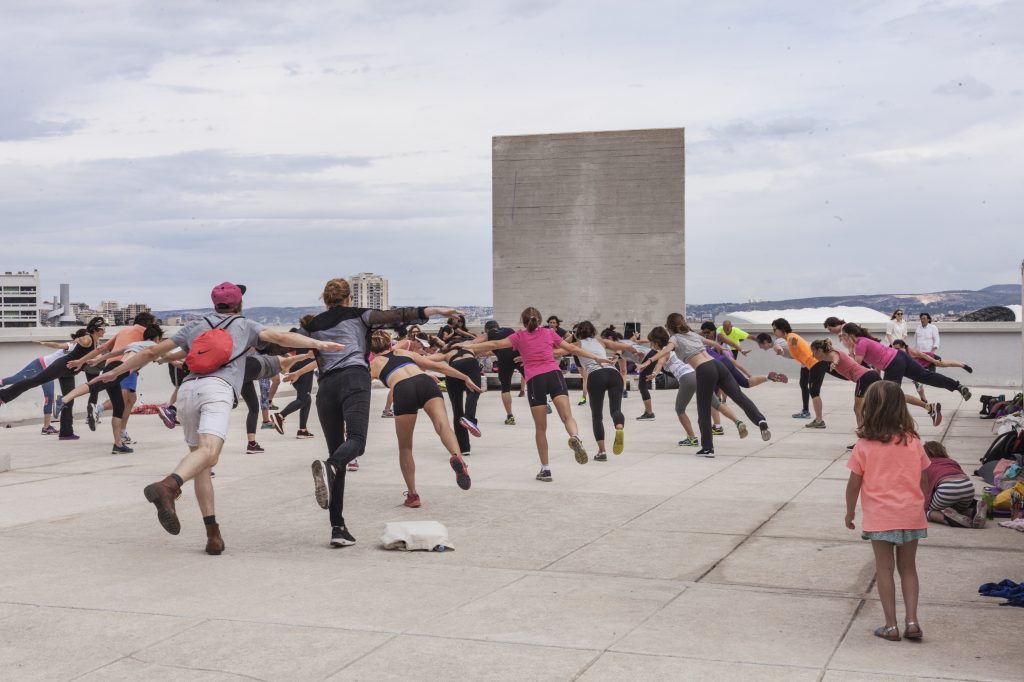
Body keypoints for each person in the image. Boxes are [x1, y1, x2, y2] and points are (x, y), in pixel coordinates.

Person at [92, 282, 343, 556]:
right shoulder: (245, 325)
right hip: (217, 390)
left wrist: (115, 372)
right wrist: (318, 343)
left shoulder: (196, 325)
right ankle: (169, 486)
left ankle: (213, 535)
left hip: (187, 391)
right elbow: (280, 338)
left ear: (214, 304)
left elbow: (151, 352)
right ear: (239, 304)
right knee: (209, 454)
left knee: (200, 463)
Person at [301, 277, 461, 548]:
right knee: (356, 443)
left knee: (337, 453)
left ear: (325, 300)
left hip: (326, 388)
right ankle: (331, 470)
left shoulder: (313, 325)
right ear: (349, 298)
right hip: (353, 379)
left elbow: (284, 341)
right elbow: (399, 315)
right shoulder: (358, 315)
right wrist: (434, 310)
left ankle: (338, 527)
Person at [456, 307, 612, 481]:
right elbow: (572, 349)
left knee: (540, 428)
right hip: (555, 375)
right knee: (567, 416)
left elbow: (494, 344)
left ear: (523, 322)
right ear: (539, 320)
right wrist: (597, 358)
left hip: (535, 380)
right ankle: (575, 437)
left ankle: (545, 470)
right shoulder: (549, 333)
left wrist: (467, 345)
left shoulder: (519, 336)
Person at [844, 380, 928, 642]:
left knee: (884, 568)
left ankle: (890, 626)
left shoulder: (864, 446)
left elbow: (854, 484)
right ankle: (912, 621)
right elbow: (925, 477)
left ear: (870, 408)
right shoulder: (913, 442)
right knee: (909, 568)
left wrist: (850, 512)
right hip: (911, 514)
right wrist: (921, 503)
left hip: (880, 517)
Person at [367, 331, 480, 507]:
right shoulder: (404, 353)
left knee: (405, 447)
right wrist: (465, 377)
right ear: (390, 344)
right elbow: (441, 367)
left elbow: (360, 386)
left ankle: (413, 496)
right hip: (425, 382)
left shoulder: (374, 364)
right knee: (443, 426)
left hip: (402, 389)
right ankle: (458, 457)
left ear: (371, 349)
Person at [639, 314, 770, 457]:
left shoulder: (674, 338)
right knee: (739, 397)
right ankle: (760, 420)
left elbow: (665, 350)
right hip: (718, 365)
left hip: (704, 370)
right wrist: (721, 347)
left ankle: (707, 448)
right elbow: (711, 343)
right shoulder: (691, 334)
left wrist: (649, 360)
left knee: (703, 411)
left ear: (670, 327)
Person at [1, 318, 114, 447]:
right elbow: (82, 340)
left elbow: (94, 355)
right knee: (33, 381)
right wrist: (79, 339)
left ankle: (66, 432)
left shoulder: (96, 342)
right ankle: (2, 396)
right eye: (102, 329)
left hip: (69, 372)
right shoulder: (88, 338)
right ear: (95, 329)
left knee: (68, 399)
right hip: (61, 366)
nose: (104, 331)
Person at [645, 326, 746, 448]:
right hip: (700, 374)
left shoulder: (664, 351)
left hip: (687, 378)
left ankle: (692, 438)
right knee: (715, 403)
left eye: (652, 343)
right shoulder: (677, 346)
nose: (651, 345)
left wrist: (654, 374)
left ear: (656, 342)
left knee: (680, 409)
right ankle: (737, 421)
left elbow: (660, 363)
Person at [810, 339, 941, 428]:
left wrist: (834, 363)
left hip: (864, 377)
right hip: (870, 374)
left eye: (813, 352)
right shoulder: (827, 357)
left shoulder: (833, 354)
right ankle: (929, 407)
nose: (812, 354)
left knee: (858, 409)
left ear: (819, 350)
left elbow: (836, 358)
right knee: (894, 396)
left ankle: (862, 437)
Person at [842, 323, 971, 401]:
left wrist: (849, 350)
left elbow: (856, 364)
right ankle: (957, 386)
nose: (842, 338)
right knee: (926, 376)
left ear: (849, 335)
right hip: (900, 356)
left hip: (893, 364)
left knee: (890, 396)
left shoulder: (860, 344)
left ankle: (894, 427)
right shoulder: (864, 340)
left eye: (843, 336)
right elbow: (875, 361)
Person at [0, 336, 78, 435]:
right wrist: (43, 342)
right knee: (14, 379)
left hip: (49, 372)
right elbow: (57, 345)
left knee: (49, 397)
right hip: (39, 366)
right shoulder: (72, 346)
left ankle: (46, 427)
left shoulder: (82, 351)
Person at [573, 321, 625, 461]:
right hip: (614, 373)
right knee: (616, 410)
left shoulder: (577, 345)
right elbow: (621, 346)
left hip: (596, 376)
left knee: (597, 416)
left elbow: (558, 350)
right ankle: (619, 428)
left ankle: (602, 452)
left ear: (578, 333)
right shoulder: (601, 341)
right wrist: (633, 350)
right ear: (593, 331)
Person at [764, 318, 829, 428]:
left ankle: (819, 421)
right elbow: (793, 348)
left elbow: (794, 345)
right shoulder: (790, 338)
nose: (774, 332)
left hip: (816, 363)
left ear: (782, 329)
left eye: (775, 329)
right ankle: (818, 420)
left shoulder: (791, 338)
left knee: (814, 392)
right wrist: (781, 350)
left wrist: (780, 349)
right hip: (813, 364)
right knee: (813, 391)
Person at [425, 342, 483, 458]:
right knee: (474, 391)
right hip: (471, 364)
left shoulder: (446, 353)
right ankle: (469, 417)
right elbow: (491, 347)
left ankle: (464, 448)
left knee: (457, 409)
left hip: (454, 368)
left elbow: (428, 359)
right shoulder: (470, 347)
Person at [923, 441, 987, 528]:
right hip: (967, 488)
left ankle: (947, 518)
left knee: (925, 511)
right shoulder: (952, 462)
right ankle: (974, 510)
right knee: (959, 508)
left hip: (946, 490)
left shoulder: (926, 465)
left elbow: (925, 487)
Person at [480, 320, 522, 425]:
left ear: (486, 330)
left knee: (505, 388)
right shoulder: (509, 330)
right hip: (518, 356)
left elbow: (485, 350)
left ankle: (510, 416)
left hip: (504, 360)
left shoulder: (488, 335)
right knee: (532, 381)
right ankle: (543, 402)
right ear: (498, 326)